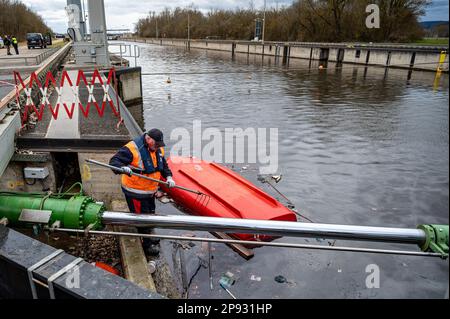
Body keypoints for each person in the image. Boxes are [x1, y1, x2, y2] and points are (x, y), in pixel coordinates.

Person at [109, 129, 176, 256]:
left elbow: (163, 166)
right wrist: (123, 168)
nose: (157, 147)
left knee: (150, 214)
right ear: (148, 139)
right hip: (136, 192)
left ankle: (149, 237)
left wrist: (169, 177)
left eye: (159, 145)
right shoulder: (132, 148)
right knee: (141, 219)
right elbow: (114, 162)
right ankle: (146, 245)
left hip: (150, 192)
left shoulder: (158, 149)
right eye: (156, 144)